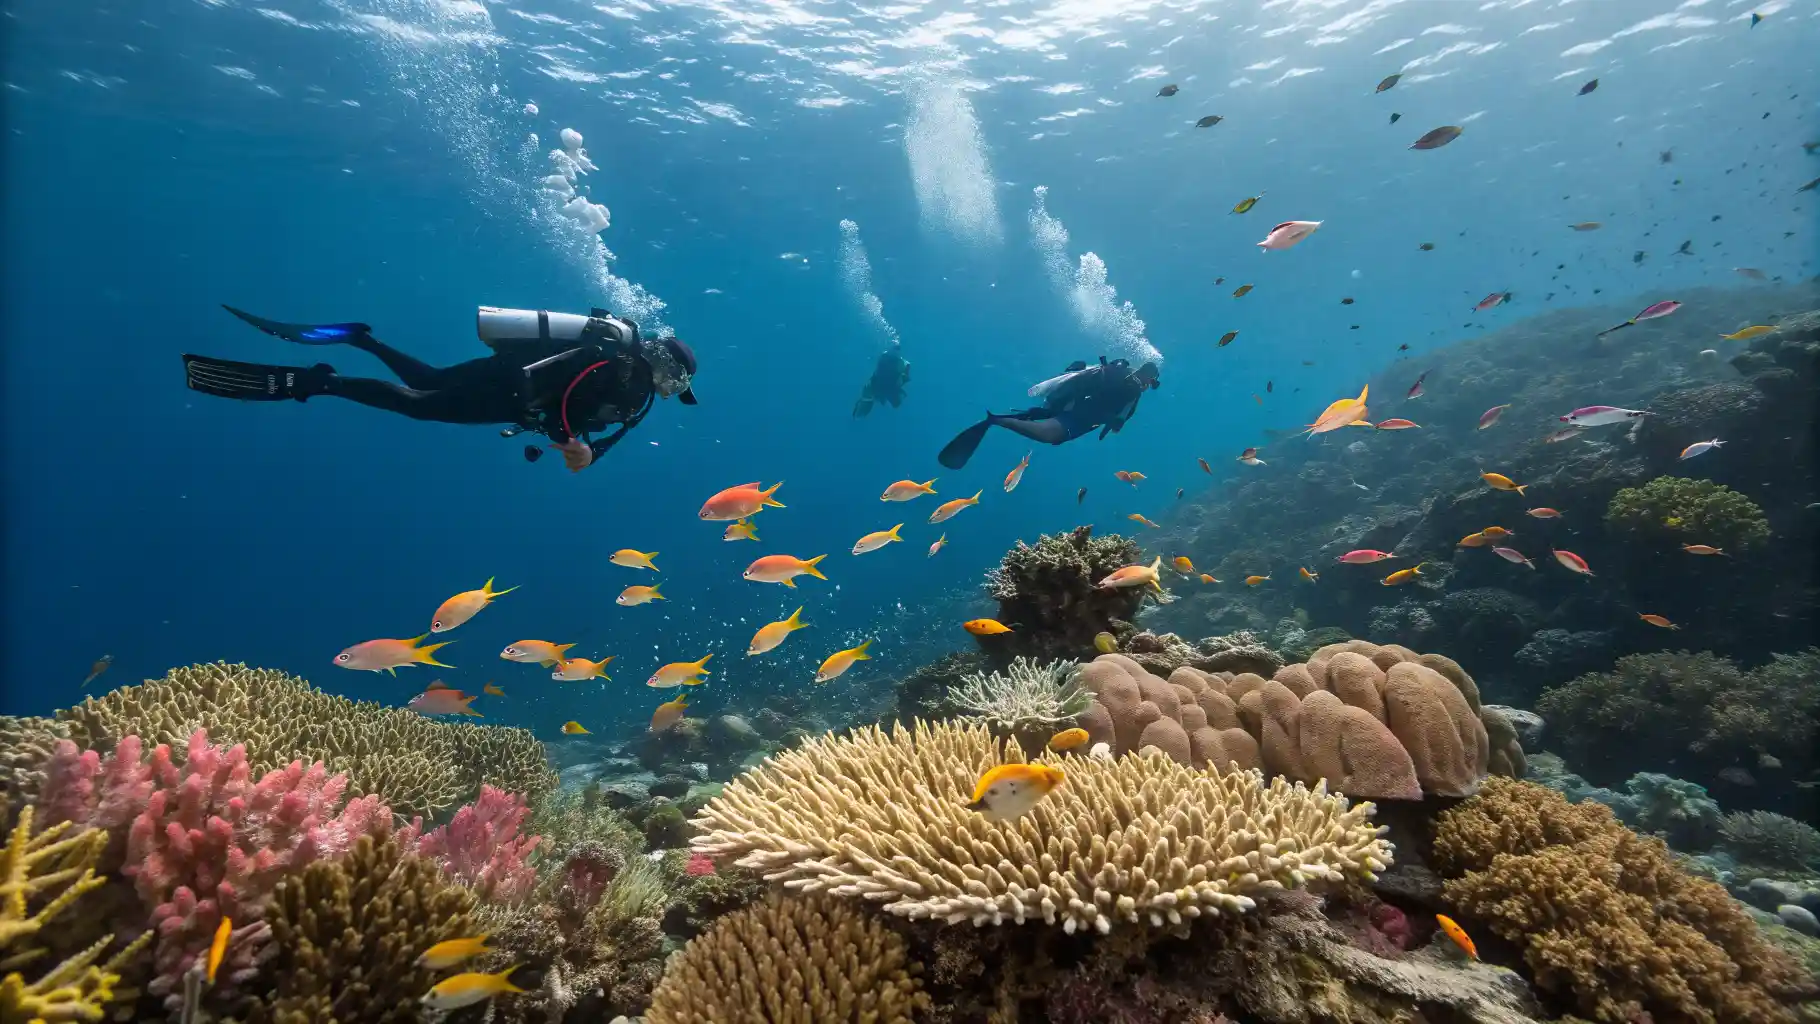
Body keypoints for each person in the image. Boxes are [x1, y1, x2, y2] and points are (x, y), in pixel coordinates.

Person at [182, 305, 696, 470]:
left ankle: (361, 341)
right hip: (513, 394)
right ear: (664, 368)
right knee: (419, 405)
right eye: (677, 381)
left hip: (508, 373)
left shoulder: (620, 366)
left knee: (426, 380)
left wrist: (574, 441)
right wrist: (569, 443)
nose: (672, 391)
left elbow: (568, 389)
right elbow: (568, 399)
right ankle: (321, 382)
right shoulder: (623, 375)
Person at [938, 356, 1159, 470]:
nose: (1148, 385)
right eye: (1152, 382)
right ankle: (998, 421)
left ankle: (1006, 418)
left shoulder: (1115, 371)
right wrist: (1110, 423)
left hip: (1066, 404)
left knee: (1041, 416)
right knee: (1050, 434)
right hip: (1076, 418)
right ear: (1149, 379)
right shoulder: (1133, 391)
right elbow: (1119, 423)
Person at [852, 344, 911, 417]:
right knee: (868, 399)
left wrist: (903, 377)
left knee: (896, 404)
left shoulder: (902, 363)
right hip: (878, 384)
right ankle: (863, 407)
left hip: (889, 386)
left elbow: (906, 372)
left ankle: (873, 401)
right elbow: (875, 376)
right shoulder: (885, 357)